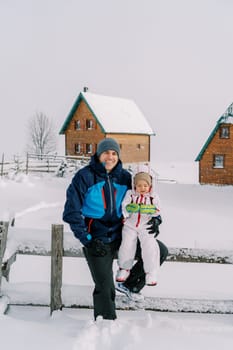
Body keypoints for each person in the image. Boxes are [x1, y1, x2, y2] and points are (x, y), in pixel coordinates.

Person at [63, 138, 168, 320]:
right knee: (105, 286)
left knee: (161, 250)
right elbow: (71, 212)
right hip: (97, 238)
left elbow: (146, 197)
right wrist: (87, 239)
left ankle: (129, 284)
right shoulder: (84, 177)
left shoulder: (126, 178)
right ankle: (106, 324)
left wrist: (156, 219)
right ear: (98, 154)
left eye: (114, 153)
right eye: (106, 153)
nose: (110, 157)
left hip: (123, 235)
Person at [116, 166, 162, 286]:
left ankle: (151, 272)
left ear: (150, 185)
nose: (142, 188)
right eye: (139, 185)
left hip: (146, 224)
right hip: (131, 224)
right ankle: (124, 268)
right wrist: (128, 210)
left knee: (150, 246)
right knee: (127, 244)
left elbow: (158, 210)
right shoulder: (130, 194)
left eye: (145, 185)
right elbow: (124, 205)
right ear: (134, 185)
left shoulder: (153, 197)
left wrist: (153, 214)